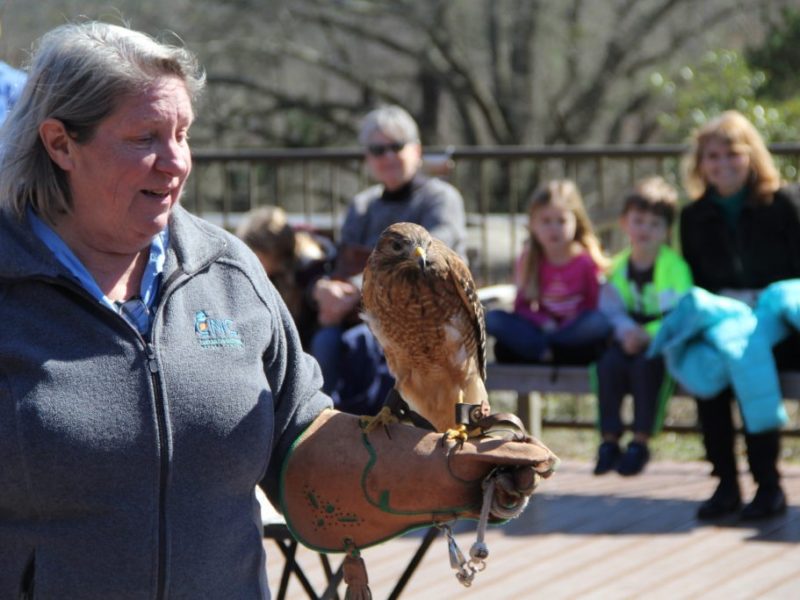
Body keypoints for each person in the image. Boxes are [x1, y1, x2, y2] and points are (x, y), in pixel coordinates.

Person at [0, 22, 554, 598]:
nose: (175, 162)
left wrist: (439, 471)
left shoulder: (227, 272)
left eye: (183, 134)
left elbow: (300, 442)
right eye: (145, 138)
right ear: (60, 143)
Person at [680, 109, 800, 520]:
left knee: (747, 359)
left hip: (778, 318)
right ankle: (726, 484)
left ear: (751, 155)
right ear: (700, 164)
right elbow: (697, 282)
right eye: (712, 156)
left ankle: (768, 485)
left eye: (732, 153)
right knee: (708, 364)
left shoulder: (785, 203)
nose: (723, 164)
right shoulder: (693, 217)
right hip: (724, 317)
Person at [309, 104, 467, 407]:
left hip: (425, 317)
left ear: (417, 150)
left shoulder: (440, 200)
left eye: (396, 146)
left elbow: (428, 258)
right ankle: (324, 432)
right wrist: (324, 291)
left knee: (366, 346)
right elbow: (342, 262)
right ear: (367, 158)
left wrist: (355, 288)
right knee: (324, 341)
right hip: (363, 314)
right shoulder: (362, 206)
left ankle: (386, 441)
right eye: (378, 149)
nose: (388, 157)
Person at [594, 176, 693, 476]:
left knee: (647, 369)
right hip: (627, 336)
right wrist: (626, 332)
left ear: (666, 230)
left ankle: (640, 441)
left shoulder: (675, 268)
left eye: (654, 224)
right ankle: (609, 439)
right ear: (625, 223)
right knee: (607, 365)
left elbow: (681, 313)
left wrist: (647, 335)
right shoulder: (617, 267)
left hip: (661, 339)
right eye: (639, 221)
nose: (645, 230)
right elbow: (609, 308)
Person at [485, 179, 611, 365]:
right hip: (541, 328)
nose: (554, 229)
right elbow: (521, 306)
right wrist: (543, 321)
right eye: (546, 221)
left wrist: (569, 321)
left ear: (576, 222)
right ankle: (551, 351)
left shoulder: (585, 261)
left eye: (561, 221)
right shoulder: (529, 258)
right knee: (493, 319)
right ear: (533, 225)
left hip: (573, 330)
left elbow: (593, 305)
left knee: (598, 323)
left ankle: (543, 350)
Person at [236, 205, 336, 349]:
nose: (245, 261)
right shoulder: (269, 275)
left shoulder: (309, 271)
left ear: (269, 253)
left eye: (251, 253)